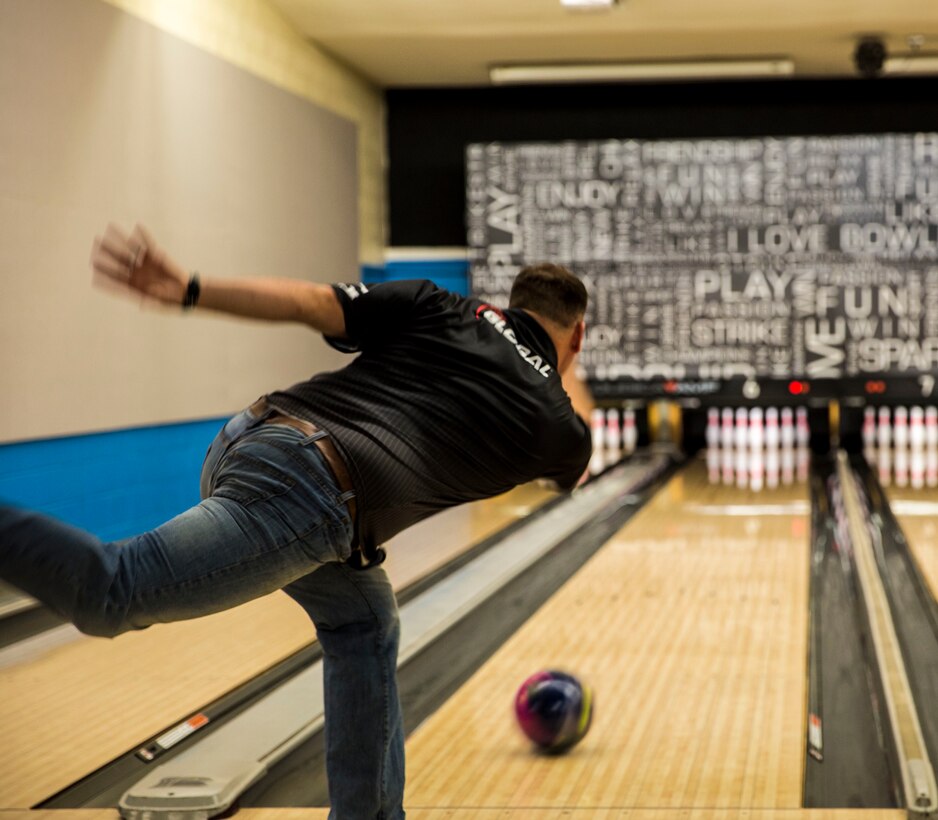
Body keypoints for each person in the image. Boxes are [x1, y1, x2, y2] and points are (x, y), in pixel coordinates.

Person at [0, 224, 591, 819]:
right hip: (308, 497)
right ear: (579, 336)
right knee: (112, 590)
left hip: (253, 439)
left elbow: (310, 302)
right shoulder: (551, 419)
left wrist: (189, 289)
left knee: (365, 627)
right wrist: (565, 370)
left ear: (513, 304)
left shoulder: (439, 304)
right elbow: (580, 453)